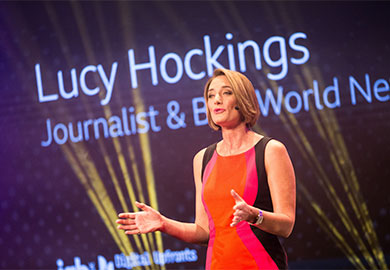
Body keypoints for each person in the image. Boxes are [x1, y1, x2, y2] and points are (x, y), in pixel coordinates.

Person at [116, 68, 296, 269]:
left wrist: (254, 215)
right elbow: (203, 231)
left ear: (243, 100)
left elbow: (286, 225)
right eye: (211, 95)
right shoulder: (203, 159)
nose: (216, 100)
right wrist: (164, 224)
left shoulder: (270, 150)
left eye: (226, 92)